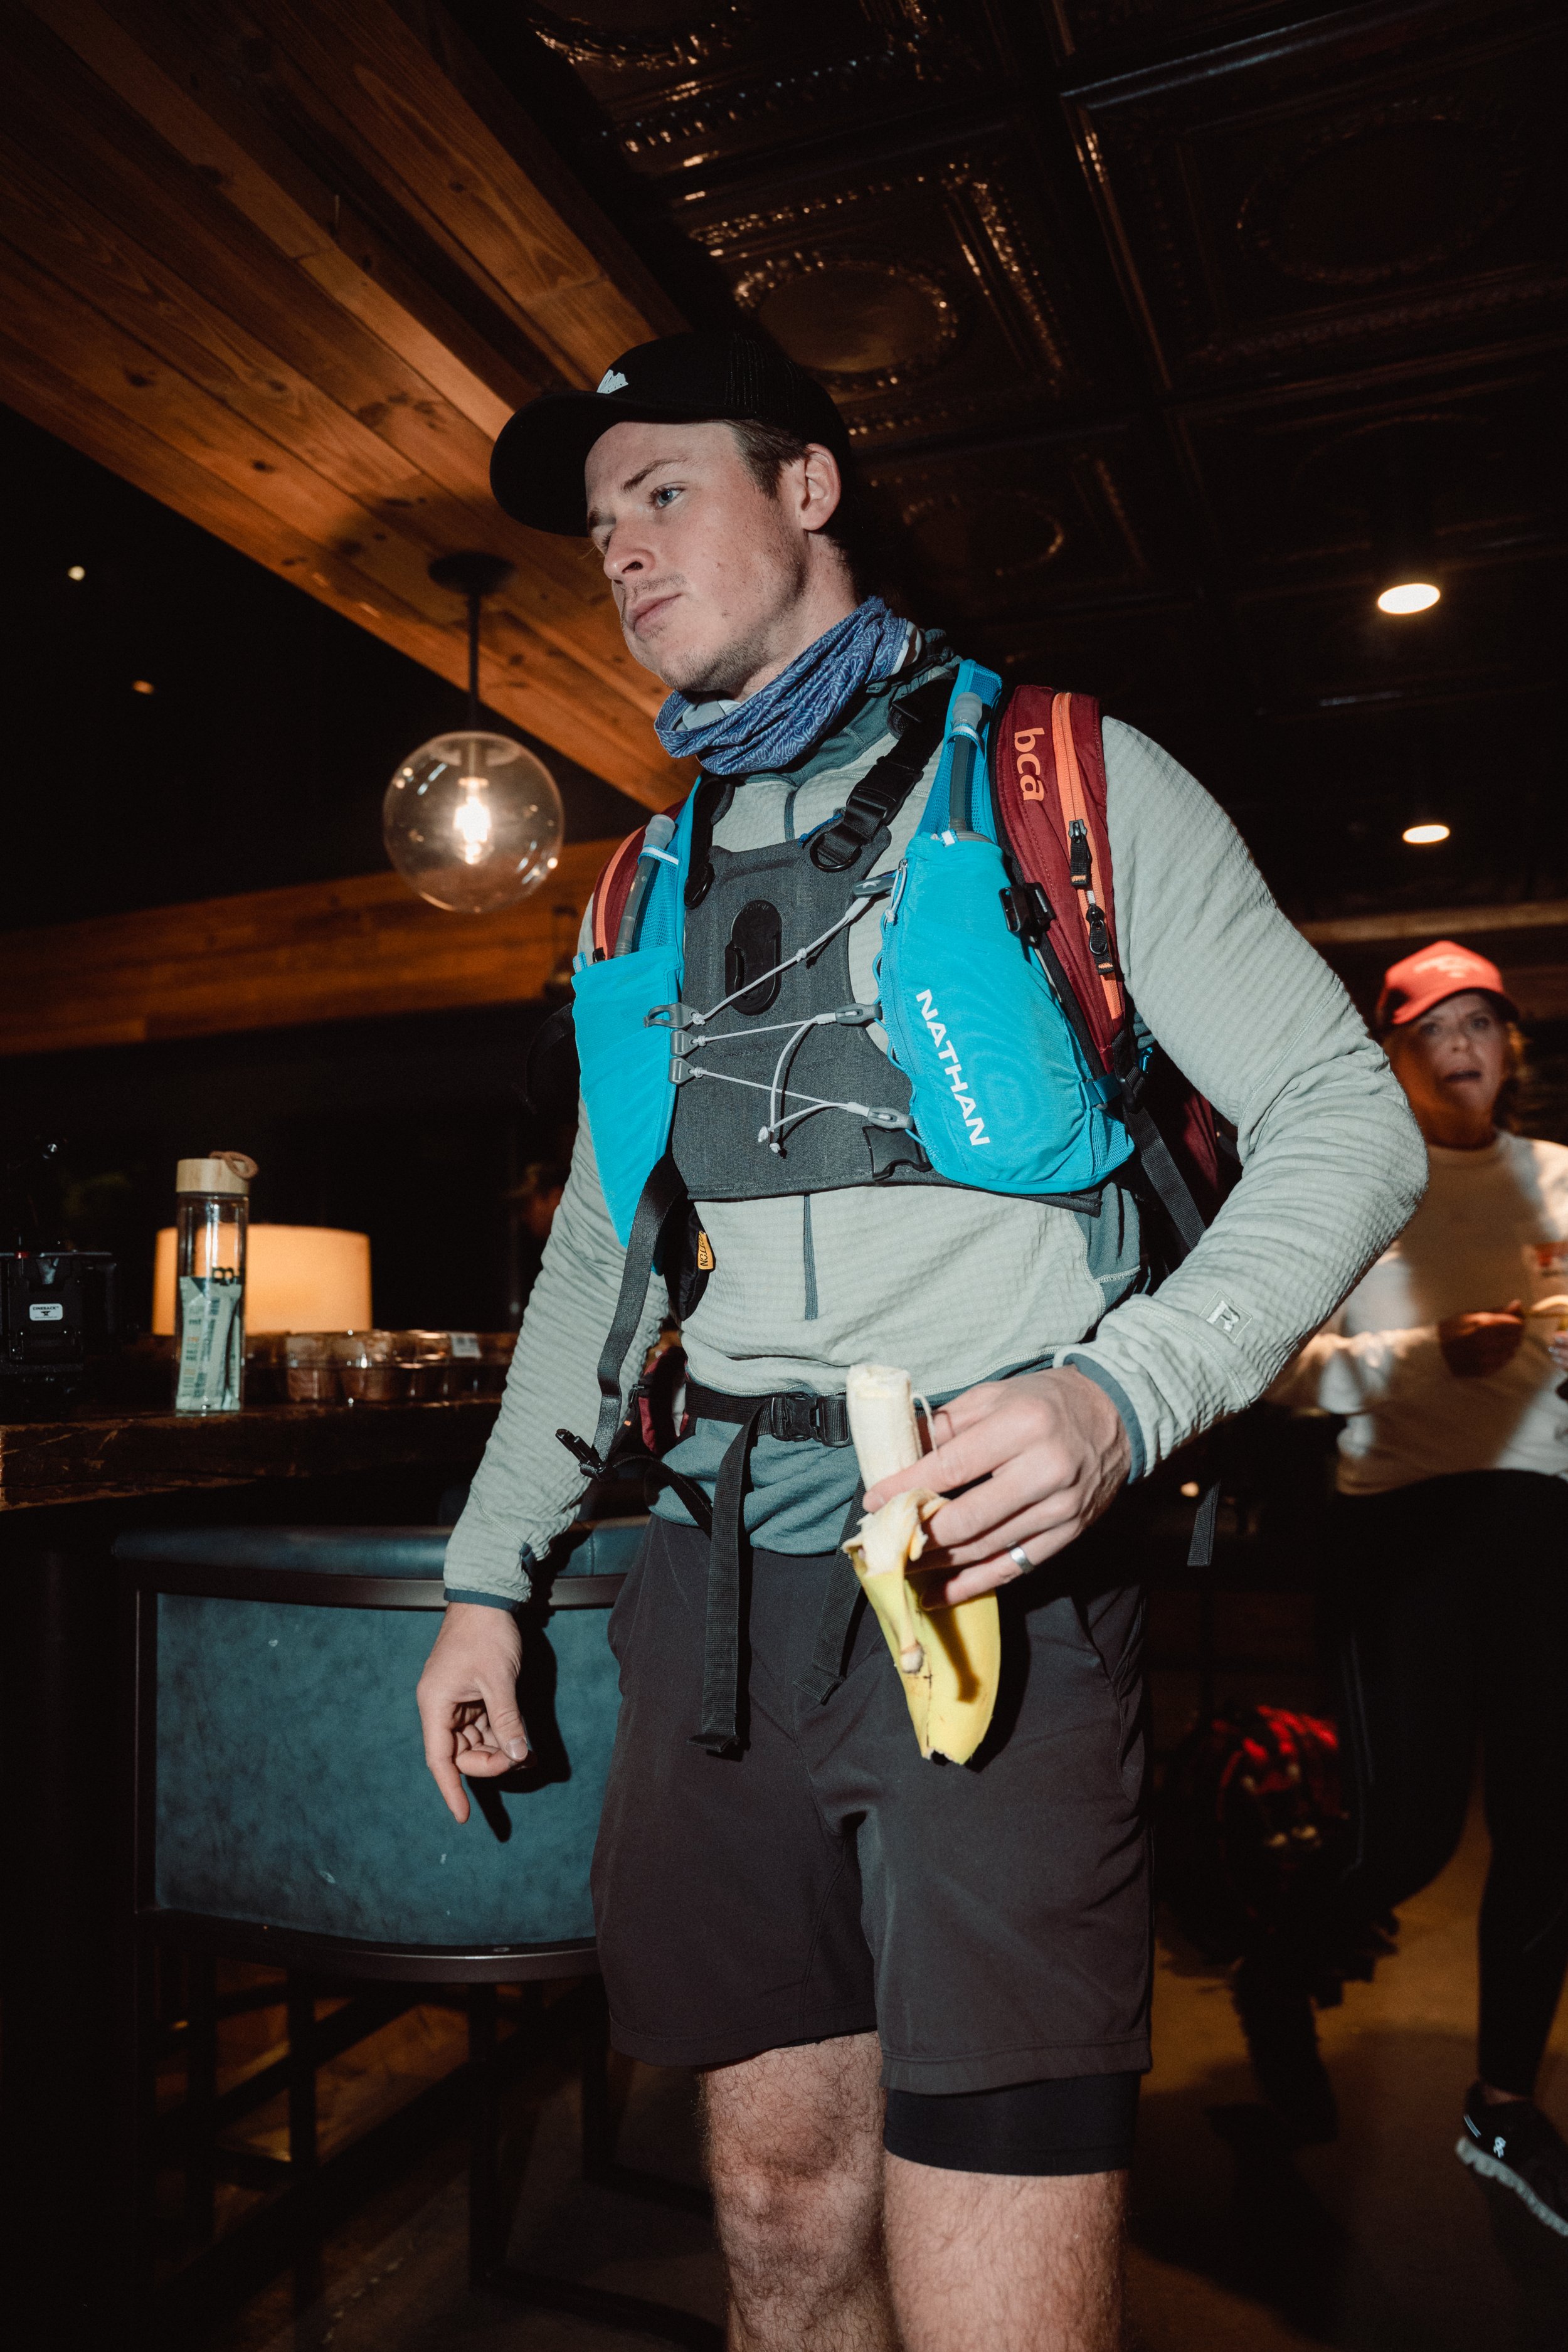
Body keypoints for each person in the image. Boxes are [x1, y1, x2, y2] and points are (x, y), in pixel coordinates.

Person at [416, 330, 1425, 2348]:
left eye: (663, 489)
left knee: (996, 2294)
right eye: (599, 523)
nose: (622, 548)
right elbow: (599, 1269)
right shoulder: (635, 888)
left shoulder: (1067, 776)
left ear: (807, 488)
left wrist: (1120, 1394)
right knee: (778, 2216)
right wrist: (481, 1581)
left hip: (991, 1584)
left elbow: (1348, 1119)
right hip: (711, 1597)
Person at [1273, 940, 1568, 2237]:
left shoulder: (1559, 1179)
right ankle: (1274, 1965)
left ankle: (1501, 2105)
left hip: (1543, 1528)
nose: (1460, 1048)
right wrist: (1428, 1351)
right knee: (1407, 1840)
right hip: (1401, 1534)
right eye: (1431, 1029)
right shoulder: (1359, 1187)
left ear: (1511, 1047)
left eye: (1480, 1024)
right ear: (1392, 1058)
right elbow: (1279, 1373)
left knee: (1549, 1833)